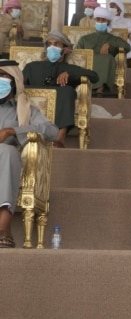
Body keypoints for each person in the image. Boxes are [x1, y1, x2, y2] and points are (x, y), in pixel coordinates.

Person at [0, 59, 59, 248]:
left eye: (3, 75)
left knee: (7, 151)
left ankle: (3, 228)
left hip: (5, 156)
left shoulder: (25, 108)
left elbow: (52, 131)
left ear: (14, 80)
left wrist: (12, 131)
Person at [22, 30, 99, 147]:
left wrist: (69, 73)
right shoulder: (32, 66)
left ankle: (60, 137)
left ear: (66, 49)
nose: (52, 47)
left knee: (67, 91)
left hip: (60, 99)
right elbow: (19, 84)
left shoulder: (70, 68)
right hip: (33, 101)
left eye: (56, 44)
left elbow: (94, 76)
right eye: (49, 44)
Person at [75, 7, 131, 97]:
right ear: (95, 20)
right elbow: (76, 54)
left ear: (108, 22)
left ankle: (100, 88)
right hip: (87, 65)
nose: (100, 22)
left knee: (108, 58)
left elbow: (127, 47)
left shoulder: (113, 39)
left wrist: (110, 43)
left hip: (105, 63)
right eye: (98, 19)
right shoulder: (85, 39)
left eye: (103, 20)